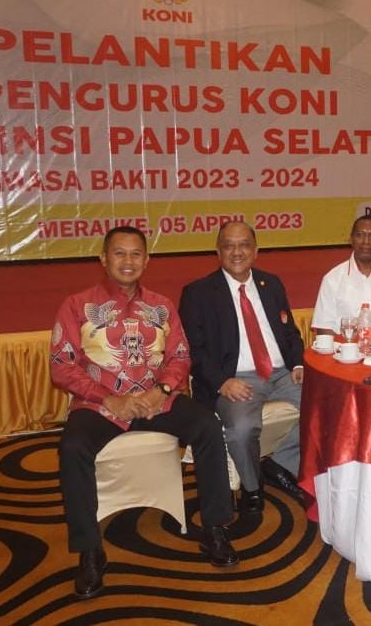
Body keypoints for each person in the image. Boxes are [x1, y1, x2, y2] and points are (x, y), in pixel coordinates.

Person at [51, 226, 237, 600]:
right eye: (119, 253)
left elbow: (180, 356)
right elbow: (61, 365)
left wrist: (161, 390)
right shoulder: (77, 305)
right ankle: (90, 550)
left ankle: (214, 528)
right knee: (72, 448)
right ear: (103, 259)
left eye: (136, 254)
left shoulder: (161, 306)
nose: (128, 261)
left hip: (156, 400)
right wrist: (108, 399)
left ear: (147, 260)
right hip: (100, 406)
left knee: (207, 426)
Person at [179, 221, 306, 516]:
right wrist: (222, 382)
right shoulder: (198, 293)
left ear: (256, 250)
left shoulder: (271, 284)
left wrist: (298, 363)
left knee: (330, 407)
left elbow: (290, 333)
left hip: (282, 373)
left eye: (244, 245)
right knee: (240, 430)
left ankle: (280, 463)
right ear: (218, 251)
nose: (237, 252)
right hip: (236, 378)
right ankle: (252, 486)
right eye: (229, 246)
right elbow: (192, 350)